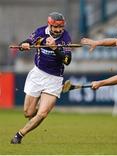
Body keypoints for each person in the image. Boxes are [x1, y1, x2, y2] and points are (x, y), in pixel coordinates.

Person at [11, 12, 72, 144]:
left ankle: (19, 135)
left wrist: (55, 48)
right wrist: (24, 45)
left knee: (43, 113)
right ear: (49, 25)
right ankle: (41, 105)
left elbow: (67, 60)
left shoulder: (65, 38)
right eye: (55, 27)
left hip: (54, 79)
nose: (58, 30)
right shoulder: (40, 32)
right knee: (28, 113)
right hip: (37, 75)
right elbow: (26, 42)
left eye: (60, 27)